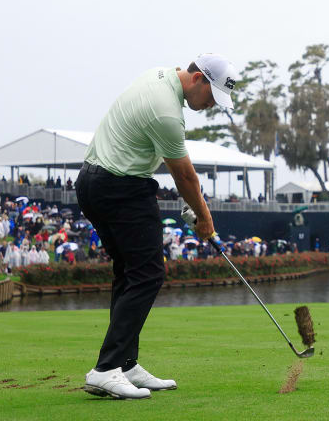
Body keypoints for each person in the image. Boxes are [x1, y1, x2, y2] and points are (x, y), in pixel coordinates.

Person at [77, 54, 236, 399]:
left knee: (131, 273)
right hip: (120, 187)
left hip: (94, 182)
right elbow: (184, 175)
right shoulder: (167, 111)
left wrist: (192, 206)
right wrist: (205, 219)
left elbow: (161, 156)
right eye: (211, 97)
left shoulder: (157, 76)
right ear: (197, 79)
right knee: (149, 274)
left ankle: (125, 364)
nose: (210, 105)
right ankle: (106, 369)